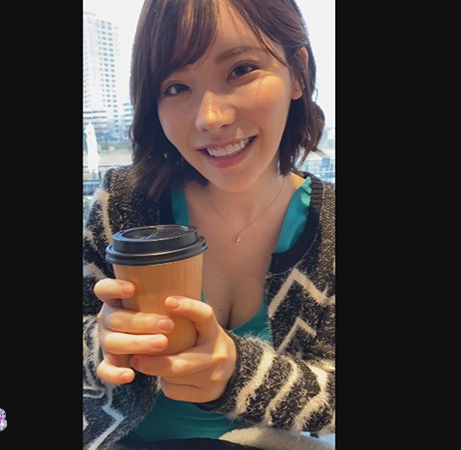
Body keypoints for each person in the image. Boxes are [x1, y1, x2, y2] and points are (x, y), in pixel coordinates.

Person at [83, 0, 335, 449]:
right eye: (176, 86)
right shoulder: (124, 203)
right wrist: (101, 342)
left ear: (297, 72)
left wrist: (238, 374)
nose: (211, 118)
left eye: (241, 70)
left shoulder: (329, 225)